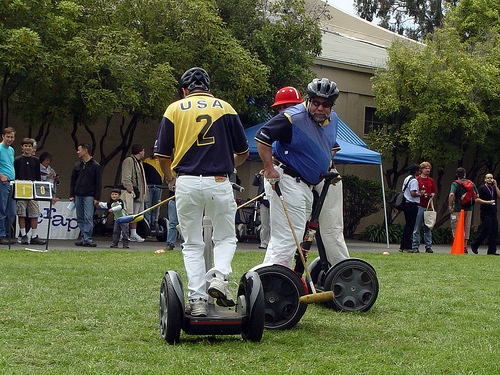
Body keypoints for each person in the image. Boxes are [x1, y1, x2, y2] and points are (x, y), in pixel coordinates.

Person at [155, 67, 249, 317]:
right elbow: (243, 152)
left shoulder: (173, 109)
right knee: (226, 237)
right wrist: (227, 164)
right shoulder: (226, 108)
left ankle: (196, 300)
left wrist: (170, 178)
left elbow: (162, 155)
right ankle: (219, 278)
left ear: (185, 90)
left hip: (186, 182)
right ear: (208, 88)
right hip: (218, 181)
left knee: (193, 244)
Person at [255, 78, 340, 269]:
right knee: (288, 236)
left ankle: (266, 281)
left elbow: (331, 147)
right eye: (316, 102)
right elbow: (263, 136)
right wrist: (269, 168)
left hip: (307, 186)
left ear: (332, 106)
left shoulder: (333, 120)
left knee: (290, 236)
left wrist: (328, 168)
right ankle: (273, 285)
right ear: (308, 100)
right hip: (288, 180)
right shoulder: (292, 117)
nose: (320, 108)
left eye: (326, 104)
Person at [13, 138, 46, 245]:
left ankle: (34, 236)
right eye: (25, 146)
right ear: (22, 147)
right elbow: (15, 175)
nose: (27, 148)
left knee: (34, 213)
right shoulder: (17, 160)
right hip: (21, 191)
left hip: (33, 191)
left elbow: (38, 176)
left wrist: (38, 190)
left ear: (32, 148)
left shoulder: (36, 160)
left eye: (29, 146)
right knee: (21, 214)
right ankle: (23, 235)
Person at [70, 143, 102, 247]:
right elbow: (73, 181)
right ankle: (84, 237)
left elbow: (98, 183)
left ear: (86, 150)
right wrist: (72, 194)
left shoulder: (95, 166)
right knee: (80, 217)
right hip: (78, 194)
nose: (78, 152)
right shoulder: (77, 165)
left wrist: (97, 197)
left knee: (88, 217)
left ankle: (87, 238)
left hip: (89, 195)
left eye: (79, 150)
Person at [121, 144, 149, 242]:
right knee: (130, 213)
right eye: (143, 150)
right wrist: (130, 188)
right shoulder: (129, 161)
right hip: (133, 193)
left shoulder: (139, 162)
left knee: (136, 214)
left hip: (140, 193)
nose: (144, 153)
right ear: (140, 151)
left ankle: (133, 233)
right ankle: (124, 233)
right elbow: (126, 176)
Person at [448, 167, 478, 253]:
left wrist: (450, 206)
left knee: (456, 226)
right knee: (467, 226)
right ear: (465, 174)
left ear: (457, 175)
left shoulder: (455, 184)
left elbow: (451, 194)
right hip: (469, 208)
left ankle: (458, 245)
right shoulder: (471, 183)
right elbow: (477, 195)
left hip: (457, 208)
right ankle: (465, 247)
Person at [469, 174, 500, 255]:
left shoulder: (493, 188)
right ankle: (475, 244)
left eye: (491, 178)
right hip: (485, 213)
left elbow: (499, 195)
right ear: (485, 179)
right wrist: (487, 202)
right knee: (486, 229)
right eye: (488, 178)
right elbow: (477, 199)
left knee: (494, 231)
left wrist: (496, 186)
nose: (490, 179)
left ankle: (492, 251)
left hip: (493, 212)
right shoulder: (482, 188)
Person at [411, 161, 437, 253]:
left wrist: (431, 196)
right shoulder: (417, 179)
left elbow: (433, 191)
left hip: (428, 206)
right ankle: (415, 246)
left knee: (428, 227)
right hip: (419, 205)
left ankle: (428, 246)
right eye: (426, 168)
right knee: (416, 227)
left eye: (429, 168)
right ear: (421, 169)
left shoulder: (431, 180)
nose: (427, 170)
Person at [399, 164, 422, 253]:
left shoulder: (407, 178)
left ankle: (403, 245)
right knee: (410, 226)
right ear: (416, 171)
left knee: (407, 225)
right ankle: (407, 246)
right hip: (412, 204)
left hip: (406, 203)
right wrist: (420, 194)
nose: (420, 172)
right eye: (419, 170)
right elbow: (413, 193)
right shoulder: (414, 180)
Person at [0, 127, 16, 245]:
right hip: (3, 183)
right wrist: (1, 176)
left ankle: (6, 234)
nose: (10, 139)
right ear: (3, 136)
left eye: (12, 137)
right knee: (2, 209)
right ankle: (1, 235)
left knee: (11, 211)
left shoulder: (11, 150)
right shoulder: (0, 148)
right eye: (8, 136)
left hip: (11, 183)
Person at [142, 147, 164, 227]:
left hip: (158, 186)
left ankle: (154, 223)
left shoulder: (162, 161)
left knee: (156, 206)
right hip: (149, 185)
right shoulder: (147, 161)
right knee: (147, 206)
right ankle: (147, 225)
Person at [252, 171, 270, 249]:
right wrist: (259, 175)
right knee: (264, 224)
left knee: (273, 224)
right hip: (263, 202)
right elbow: (254, 183)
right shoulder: (263, 176)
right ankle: (264, 242)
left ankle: (271, 243)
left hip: (274, 201)